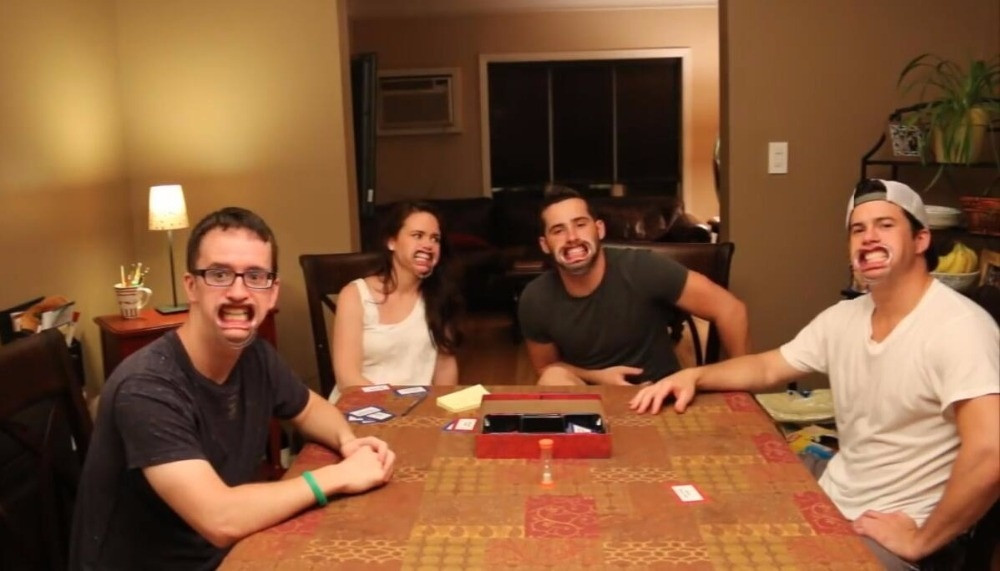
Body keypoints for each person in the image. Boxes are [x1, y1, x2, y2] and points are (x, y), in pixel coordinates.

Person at [630, 179, 1000, 569]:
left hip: (893, 527)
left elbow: (991, 452)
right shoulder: (845, 317)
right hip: (836, 489)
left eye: (885, 225)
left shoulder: (958, 328)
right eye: (858, 229)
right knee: (709, 496)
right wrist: (694, 376)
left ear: (921, 239)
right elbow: (767, 367)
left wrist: (921, 541)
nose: (869, 238)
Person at [70, 207, 397, 570]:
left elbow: (309, 408)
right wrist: (337, 476)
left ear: (272, 292)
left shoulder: (255, 355)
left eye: (255, 276)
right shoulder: (146, 387)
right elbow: (220, 518)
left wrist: (347, 442)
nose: (238, 292)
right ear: (191, 286)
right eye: (219, 274)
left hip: (228, 552)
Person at [518, 186, 750, 386]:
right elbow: (547, 368)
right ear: (545, 244)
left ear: (599, 229)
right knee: (552, 378)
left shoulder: (644, 267)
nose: (572, 237)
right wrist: (599, 378)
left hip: (660, 395)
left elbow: (731, 309)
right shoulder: (535, 298)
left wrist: (742, 388)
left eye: (580, 224)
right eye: (558, 230)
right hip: (590, 400)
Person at [329, 201, 462, 402]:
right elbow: (347, 379)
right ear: (391, 242)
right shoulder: (355, 295)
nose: (428, 245)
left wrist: (443, 410)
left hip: (417, 410)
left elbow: (445, 368)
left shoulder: (439, 296)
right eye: (417, 235)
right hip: (360, 409)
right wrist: (398, 406)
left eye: (435, 239)